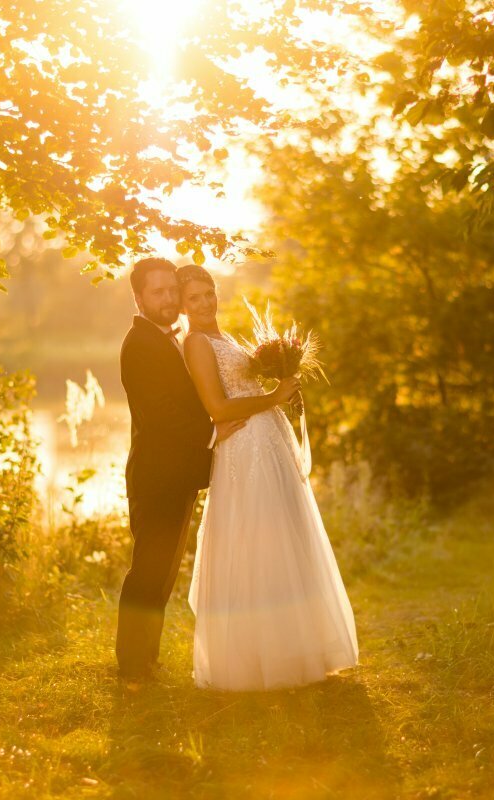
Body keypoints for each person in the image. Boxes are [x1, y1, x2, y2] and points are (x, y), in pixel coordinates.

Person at [178, 263, 359, 691]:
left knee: (284, 540)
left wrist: (282, 385)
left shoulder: (224, 338)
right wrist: (272, 396)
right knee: (256, 544)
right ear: (184, 307)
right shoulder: (197, 343)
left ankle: (299, 651)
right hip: (243, 452)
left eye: (208, 293)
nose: (204, 304)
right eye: (194, 299)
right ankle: (257, 661)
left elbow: (246, 391)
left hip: (268, 442)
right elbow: (218, 409)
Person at [115, 257, 248, 681]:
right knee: (150, 570)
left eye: (172, 291)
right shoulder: (139, 344)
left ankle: (145, 659)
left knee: (164, 570)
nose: (169, 299)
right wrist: (213, 431)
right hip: (156, 477)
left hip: (176, 474)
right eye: (158, 292)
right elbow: (160, 413)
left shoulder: (169, 338)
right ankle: (133, 664)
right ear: (138, 297)